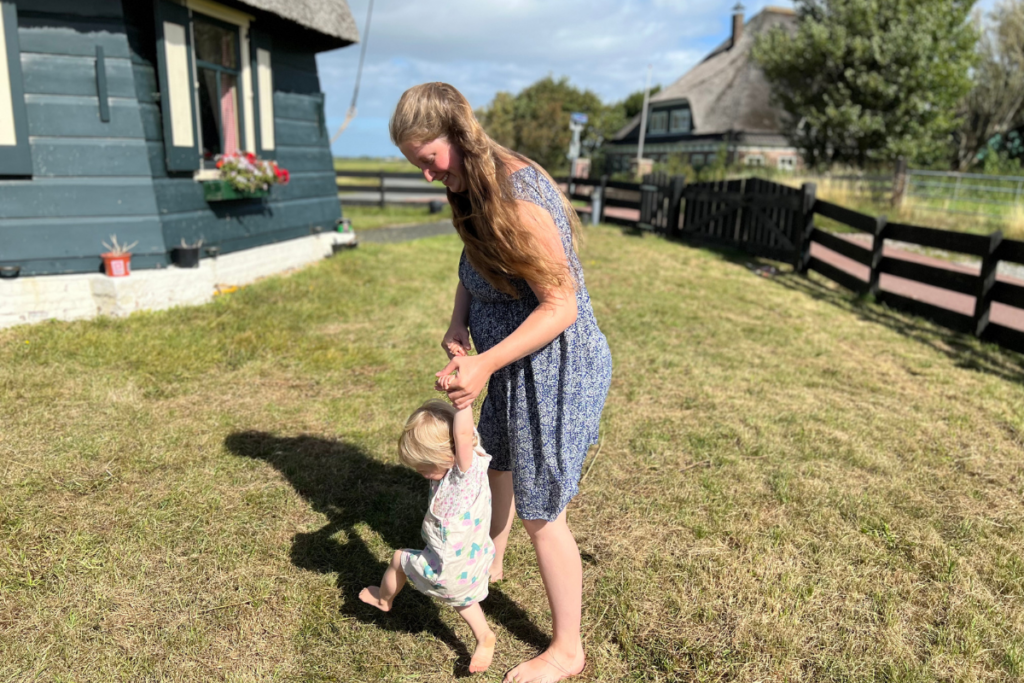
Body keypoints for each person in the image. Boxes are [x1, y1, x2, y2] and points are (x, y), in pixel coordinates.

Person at [391, 82, 613, 683]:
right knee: (498, 465)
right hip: (512, 364)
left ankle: (567, 650)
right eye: (417, 167)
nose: (428, 176)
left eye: (429, 160)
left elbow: (561, 306)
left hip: (554, 368)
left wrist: (484, 363)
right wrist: (458, 321)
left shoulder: (516, 198)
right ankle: (489, 558)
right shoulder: (471, 185)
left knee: (543, 509)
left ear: (458, 136)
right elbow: (473, 262)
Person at [359, 399, 497, 673]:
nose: (423, 475)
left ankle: (383, 600)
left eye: (424, 469)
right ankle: (484, 635)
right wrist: (458, 400)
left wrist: (464, 401)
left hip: (446, 566)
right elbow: (463, 433)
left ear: (447, 455)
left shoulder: (460, 477)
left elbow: (461, 433)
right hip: (474, 557)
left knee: (398, 559)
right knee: (464, 599)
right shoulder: (475, 460)